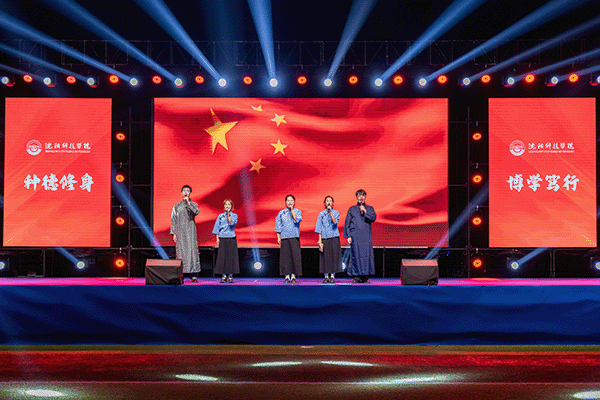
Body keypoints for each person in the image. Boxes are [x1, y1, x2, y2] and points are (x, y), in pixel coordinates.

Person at [343, 189, 376, 283]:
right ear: (356, 197)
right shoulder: (352, 209)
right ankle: (356, 276)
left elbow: (373, 218)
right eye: (359, 196)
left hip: (366, 236)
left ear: (365, 197)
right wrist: (348, 236)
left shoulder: (369, 208)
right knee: (356, 255)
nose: (361, 197)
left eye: (363, 195)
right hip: (355, 236)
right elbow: (347, 223)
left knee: (366, 255)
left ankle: (365, 276)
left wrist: (365, 211)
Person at [171, 185, 201, 282]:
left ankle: (194, 276)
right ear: (181, 193)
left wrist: (188, 203)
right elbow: (173, 219)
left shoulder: (194, 204)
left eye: (188, 191)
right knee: (181, 253)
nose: (186, 192)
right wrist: (174, 233)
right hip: (180, 232)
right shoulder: (177, 206)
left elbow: (196, 212)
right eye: (184, 190)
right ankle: (180, 276)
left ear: (190, 193)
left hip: (190, 232)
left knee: (192, 252)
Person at [275, 194, 303, 283]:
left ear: (294, 202)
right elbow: (278, 225)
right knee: (286, 257)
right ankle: (287, 276)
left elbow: (297, 220)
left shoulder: (298, 211)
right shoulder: (281, 213)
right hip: (284, 237)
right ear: (285, 202)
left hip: (294, 236)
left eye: (291, 200)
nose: (289, 202)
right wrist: (278, 237)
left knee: (295, 257)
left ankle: (293, 276)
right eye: (288, 200)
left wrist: (292, 210)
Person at [315, 195, 343, 284]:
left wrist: (330, 212)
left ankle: (332, 276)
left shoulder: (336, 212)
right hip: (325, 238)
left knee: (334, 257)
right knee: (325, 258)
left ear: (332, 203)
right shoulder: (321, 214)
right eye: (327, 201)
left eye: (330, 201)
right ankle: (326, 276)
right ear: (325, 203)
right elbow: (319, 228)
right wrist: (320, 241)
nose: (329, 202)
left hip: (334, 237)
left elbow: (335, 222)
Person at [212, 199, 240, 283]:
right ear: (223, 206)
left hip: (231, 237)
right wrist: (217, 238)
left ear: (231, 206)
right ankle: (223, 276)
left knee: (231, 257)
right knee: (222, 257)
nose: (227, 206)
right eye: (226, 204)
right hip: (222, 237)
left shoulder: (234, 215)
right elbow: (217, 227)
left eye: (229, 204)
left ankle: (230, 276)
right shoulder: (220, 216)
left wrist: (228, 215)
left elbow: (231, 224)